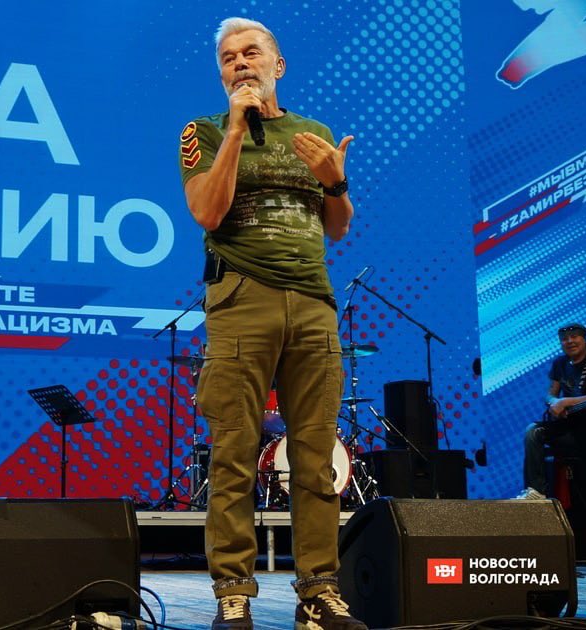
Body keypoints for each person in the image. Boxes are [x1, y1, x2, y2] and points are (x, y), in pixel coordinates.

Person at [178, 17, 366, 630]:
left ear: (277, 65)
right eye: (228, 57)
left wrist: (336, 183)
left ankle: (319, 593)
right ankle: (233, 592)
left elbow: (337, 226)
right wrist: (237, 129)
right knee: (234, 453)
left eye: (251, 52)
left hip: (312, 302)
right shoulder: (203, 131)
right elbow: (208, 212)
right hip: (242, 301)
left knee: (314, 457)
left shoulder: (314, 133)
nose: (240, 63)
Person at [515, 323, 586, 569]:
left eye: (574, 337)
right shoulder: (560, 364)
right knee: (534, 431)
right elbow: (549, 393)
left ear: (584, 339)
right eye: (565, 339)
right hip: (570, 430)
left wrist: (566, 402)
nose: (570, 341)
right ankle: (536, 489)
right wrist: (554, 402)